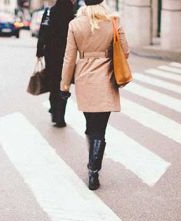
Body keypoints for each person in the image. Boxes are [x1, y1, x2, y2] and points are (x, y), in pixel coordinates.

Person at [60, 0, 129, 190]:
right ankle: (93, 171)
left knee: (90, 126)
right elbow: (126, 51)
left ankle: (92, 166)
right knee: (100, 129)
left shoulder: (75, 24)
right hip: (106, 79)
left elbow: (69, 57)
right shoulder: (114, 21)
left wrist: (64, 86)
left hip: (84, 79)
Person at [36, 0, 76, 128]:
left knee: (53, 83)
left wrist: (39, 51)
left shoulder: (49, 12)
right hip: (67, 55)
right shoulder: (73, 15)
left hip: (51, 54)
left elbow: (42, 32)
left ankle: (54, 110)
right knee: (64, 84)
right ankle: (60, 116)